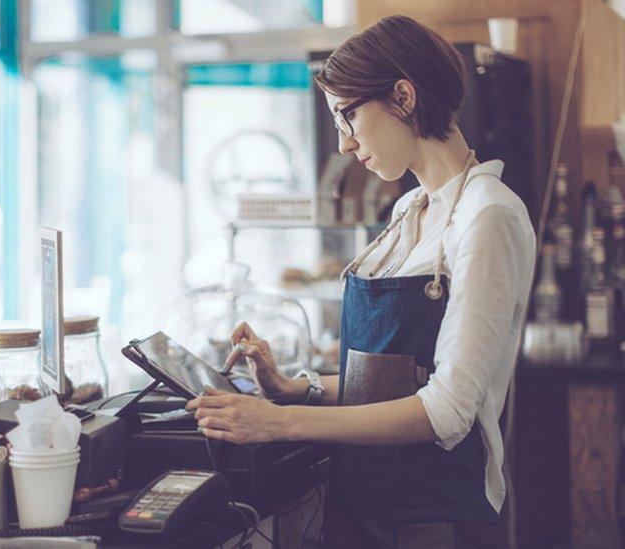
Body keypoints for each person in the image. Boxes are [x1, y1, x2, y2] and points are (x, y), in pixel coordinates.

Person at [187, 15, 536, 548]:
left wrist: (278, 424)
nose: (345, 144)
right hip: (369, 508)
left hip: (433, 520)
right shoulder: (408, 210)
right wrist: (294, 389)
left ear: (402, 97)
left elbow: (445, 410)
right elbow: (395, 381)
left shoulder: (487, 215)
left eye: (347, 115)